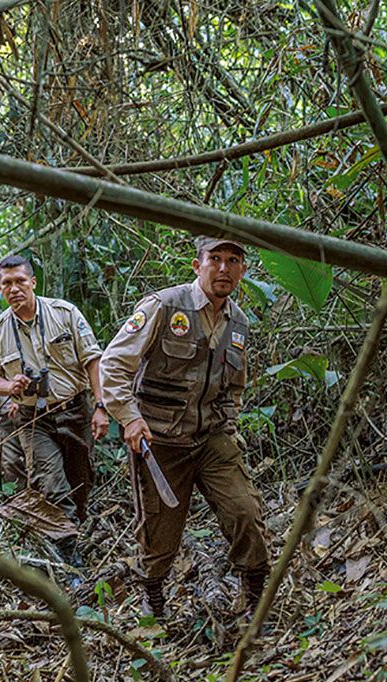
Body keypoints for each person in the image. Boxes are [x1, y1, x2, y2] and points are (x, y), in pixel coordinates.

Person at [98, 236, 269, 619]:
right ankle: (153, 601)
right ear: (198, 265)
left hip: (211, 438)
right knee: (159, 537)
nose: (224, 268)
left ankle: (255, 599)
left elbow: (234, 387)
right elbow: (113, 364)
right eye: (215, 259)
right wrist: (129, 417)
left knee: (245, 512)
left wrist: (229, 428)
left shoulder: (237, 322)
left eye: (233, 261)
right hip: (159, 440)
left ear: (243, 270)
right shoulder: (164, 306)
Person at [0, 254, 110, 567]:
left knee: (81, 480)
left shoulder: (64, 313)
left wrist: (102, 406)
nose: (14, 289)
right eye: (6, 284)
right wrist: (9, 386)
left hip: (74, 409)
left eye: (20, 281)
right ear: (0, 288)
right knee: (51, 483)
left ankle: (74, 529)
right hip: (31, 419)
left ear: (33, 282)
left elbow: (93, 360)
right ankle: (70, 561)